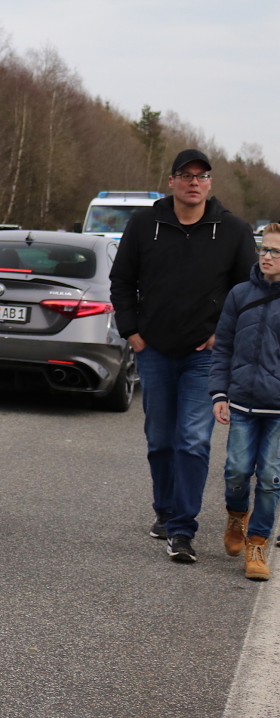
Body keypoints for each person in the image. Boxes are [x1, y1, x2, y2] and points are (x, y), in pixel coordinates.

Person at [110, 148, 257, 563]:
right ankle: (165, 509)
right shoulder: (143, 224)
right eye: (186, 175)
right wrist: (133, 332)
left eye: (202, 176)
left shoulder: (233, 230)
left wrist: (219, 335)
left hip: (204, 357)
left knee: (192, 440)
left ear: (210, 183)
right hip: (153, 350)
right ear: (172, 181)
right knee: (160, 439)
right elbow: (121, 281)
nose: (194, 182)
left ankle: (182, 530)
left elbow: (245, 292)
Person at [209, 223, 280, 581]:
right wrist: (219, 393)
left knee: (270, 477)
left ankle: (257, 543)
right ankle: (236, 515)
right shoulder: (239, 294)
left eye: (275, 251)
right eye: (263, 249)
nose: (267, 256)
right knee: (237, 470)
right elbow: (222, 347)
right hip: (242, 403)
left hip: (278, 410)